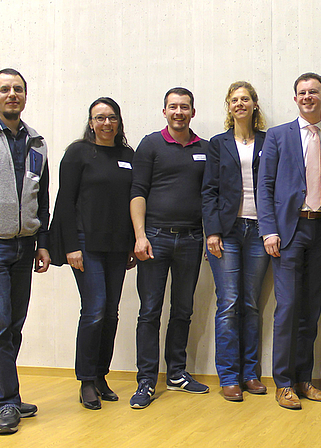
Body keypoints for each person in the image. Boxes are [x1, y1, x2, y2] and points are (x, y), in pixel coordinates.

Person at [257, 72, 321, 409]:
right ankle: (283, 383)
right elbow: (264, 187)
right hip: (287, 234)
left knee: (311, 309)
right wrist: (269, 230)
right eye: (302, 92)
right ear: (295, 99)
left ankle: (304, 380)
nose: (308, 97)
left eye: (314, 92)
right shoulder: (278, 136)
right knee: (289, 307)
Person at [49, 97, 136, 410]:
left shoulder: (128, 155)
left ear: (118, 121)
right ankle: (86, 380)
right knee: (95, 309)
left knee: (111, 312)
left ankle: (100, 375)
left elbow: (132, 202)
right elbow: (65, 202)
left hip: (117, 245)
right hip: (86, 244)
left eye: (112, 117)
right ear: (90, 122)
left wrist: (130, 244)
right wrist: (70, 245)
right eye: (100, 118)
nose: (106, 123)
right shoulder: (78, 153)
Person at [129, 87, 209, 409]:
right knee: (149, 311)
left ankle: (176, 373)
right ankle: (147, 381)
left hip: (191, 239)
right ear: (164, 111)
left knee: (183, 310)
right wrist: (140, 235)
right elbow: (137, 191)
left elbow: (209, 196)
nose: (179, 112)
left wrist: (210, 234)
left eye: (184, 107)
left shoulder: (204, 148)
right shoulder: (150, 144)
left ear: (193, 111)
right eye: (173, 107)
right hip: (155, 238)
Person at [202, 81, 270, 401]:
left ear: (254, 105)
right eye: (234, 100)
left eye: (245, 99)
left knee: (251, 304)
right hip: (227, 233)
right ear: (228, 106)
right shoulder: (217, 144)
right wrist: (212, 231)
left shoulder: (269, 142)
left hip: (259, 231)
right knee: (228, 304)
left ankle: (250, 373)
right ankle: (229, 376)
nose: (240, 104)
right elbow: (209, 191)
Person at [0, 68, 50, 434]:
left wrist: (42, 243)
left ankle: (9, 396)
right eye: (4, 89)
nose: (11, 94)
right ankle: (6, 402)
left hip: (25, 246)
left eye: (17, 89)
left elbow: (41, 198)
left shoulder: (37, 142)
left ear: (26, 96)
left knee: (14, 326)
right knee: (0, 325)